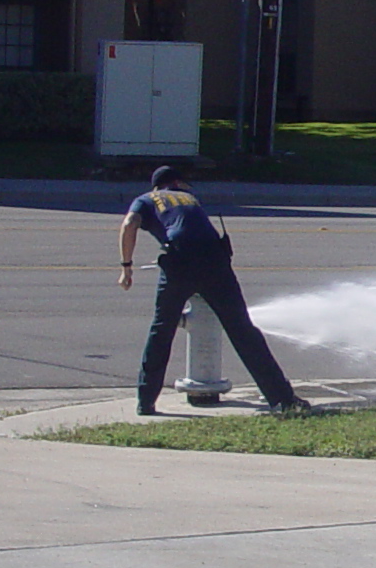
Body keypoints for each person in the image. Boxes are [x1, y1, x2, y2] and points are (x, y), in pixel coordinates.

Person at [117, 166, 306, 416]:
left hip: (179, 261)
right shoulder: (190, 199)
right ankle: (282, 399)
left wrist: (126, 267)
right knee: (243, 331)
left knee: (161, 331)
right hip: (215, 262)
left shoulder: (144, 199)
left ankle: (146, 402)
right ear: (175, 182)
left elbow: (130, 223)